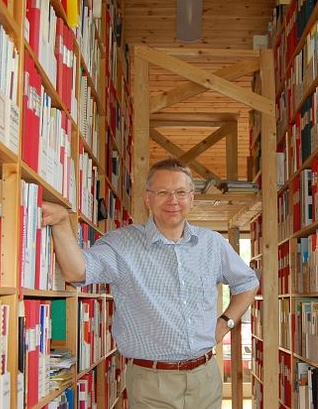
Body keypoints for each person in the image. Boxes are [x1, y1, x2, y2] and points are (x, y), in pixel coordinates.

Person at [41, 158, 259, 409]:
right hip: (151, 383)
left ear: (191, 198)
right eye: (163, 192)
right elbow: (77, 271)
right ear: (148, 198)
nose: (173, 201)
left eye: (180, 192)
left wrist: (226, 322)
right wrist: (60, 223)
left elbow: (248, 283)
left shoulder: (212, 244)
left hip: (205, 377)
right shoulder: (121, 245)